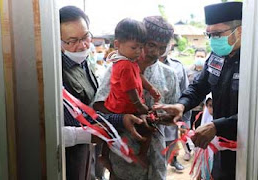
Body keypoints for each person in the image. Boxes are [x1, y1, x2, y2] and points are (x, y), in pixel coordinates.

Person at [153, 2, 243, 179]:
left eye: (217, 34)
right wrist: (182, 105)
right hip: (219, 144)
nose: (212, 40)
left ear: (239, 31)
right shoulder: (216, 57)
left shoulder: (255, 61)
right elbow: (199, 86)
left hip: (247, 147)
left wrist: (217, 125)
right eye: (209, 34)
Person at [59, 6, 146, 180]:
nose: (82, 45)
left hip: (90, 149)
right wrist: (120, 120)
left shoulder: (85, 62)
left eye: (85, 37)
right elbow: (80, 118)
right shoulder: (57, 74)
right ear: (57, 41)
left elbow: (92, 106)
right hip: (69, 155)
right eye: (72, 41)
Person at [93, 16, 179, 180]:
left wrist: (161, 117)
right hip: (123, 162)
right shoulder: (117, 69)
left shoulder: (170, 75)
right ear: (140, 42)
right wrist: (124, 118)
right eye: (151, 45)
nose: (155, 53)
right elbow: (98, 110)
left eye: (162, 48)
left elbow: (173, 118)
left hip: (157, 162)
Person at [159, 47, 191, 168]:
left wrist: (184, 123)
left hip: (170, 126)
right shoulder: (140, 64)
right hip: (148, 126)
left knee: (163, 165)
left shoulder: (177, 66)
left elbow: (185, 94)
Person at [187, 49, 207, 129]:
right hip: (190, 108)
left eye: (202, 56)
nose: (199, 58)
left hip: (203, 108)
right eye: (198, 56)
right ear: (194, 57)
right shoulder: (188, 70)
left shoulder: (207, 71)